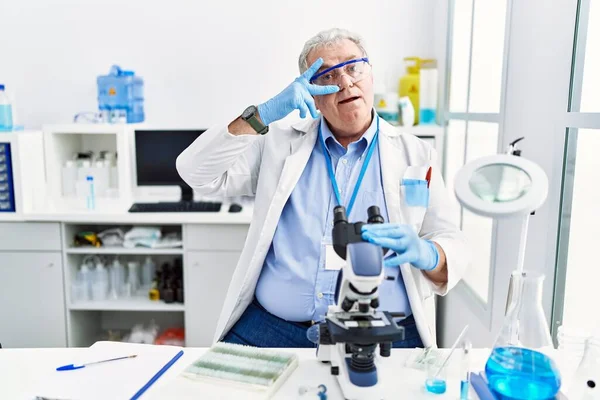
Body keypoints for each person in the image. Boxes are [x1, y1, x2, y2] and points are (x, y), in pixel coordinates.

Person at [176, 28, 470, 349]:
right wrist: (261, 114)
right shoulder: (278, 146)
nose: (345, 82)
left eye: (353, 67)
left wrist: (428, 254)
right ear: (311, 94)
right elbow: (195, 171)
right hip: (273, 329)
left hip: (381, 332)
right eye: (327, 75)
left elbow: (451, 242)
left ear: (370, 74)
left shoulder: (416, 153)